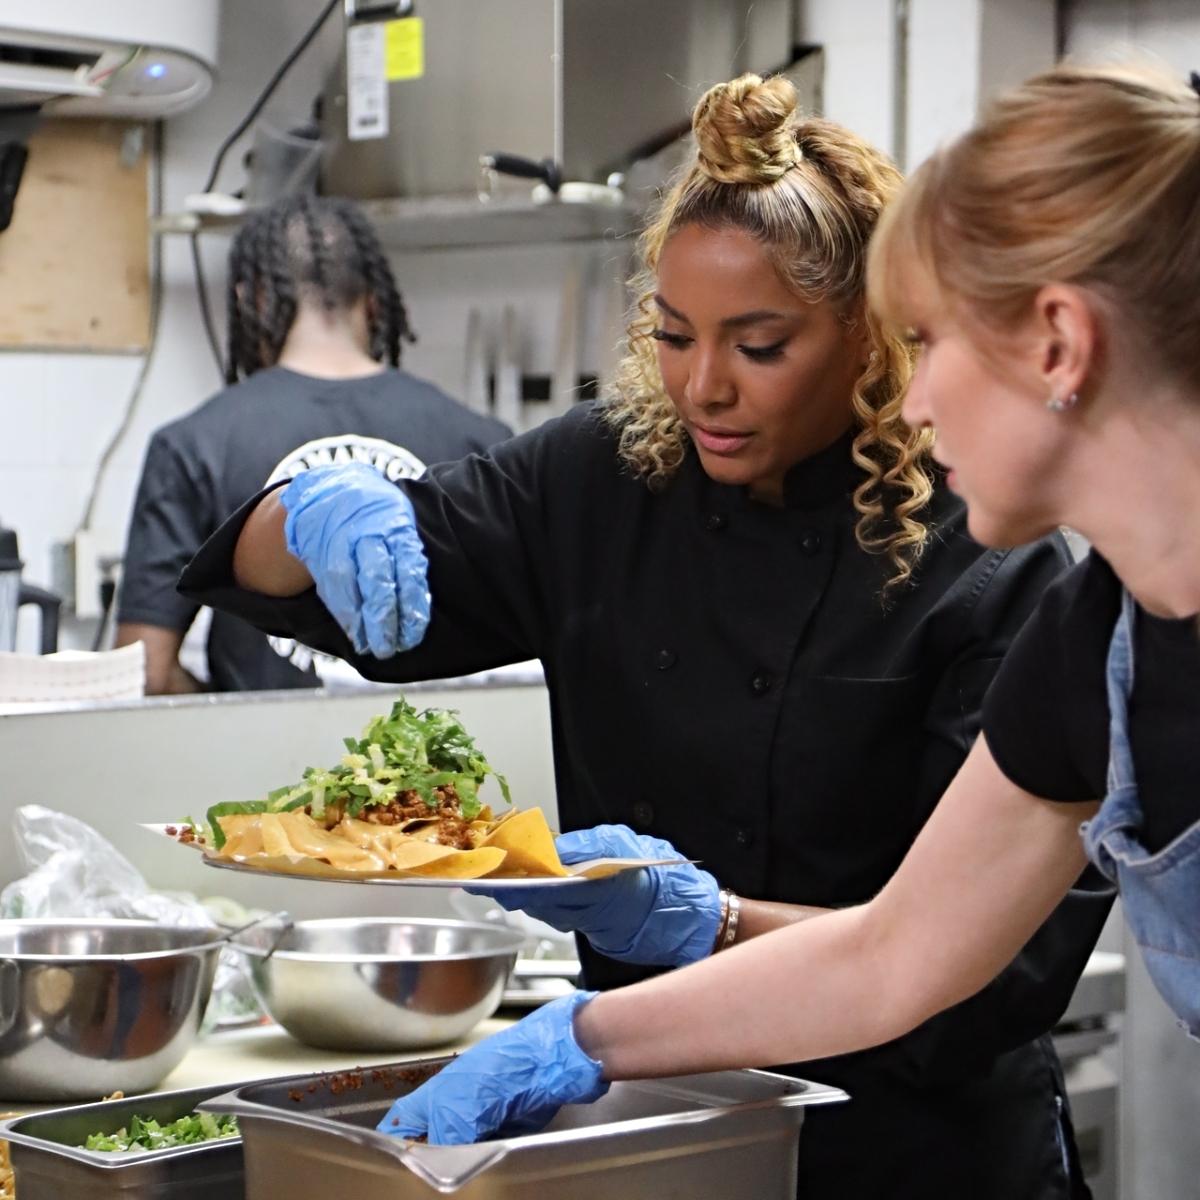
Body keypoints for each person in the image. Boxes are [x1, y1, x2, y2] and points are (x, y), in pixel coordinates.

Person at [178, 76, 1112, 1199]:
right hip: (659, 1123)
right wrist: (314, 503)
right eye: (673, 336)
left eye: (759, 347)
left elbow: (968, 976)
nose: (703, 388)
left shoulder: (994, 559)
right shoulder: (606, 474)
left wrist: (709, 929)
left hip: (914, 1147)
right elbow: (344, 594)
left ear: (872, 339)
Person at [115, 194, 510, 693]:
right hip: (437, 765)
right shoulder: (480, 440)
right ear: (374, 301)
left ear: (251, 299)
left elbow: (143, 671)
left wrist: (219, 708)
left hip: (263, 767)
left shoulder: (195, 444)